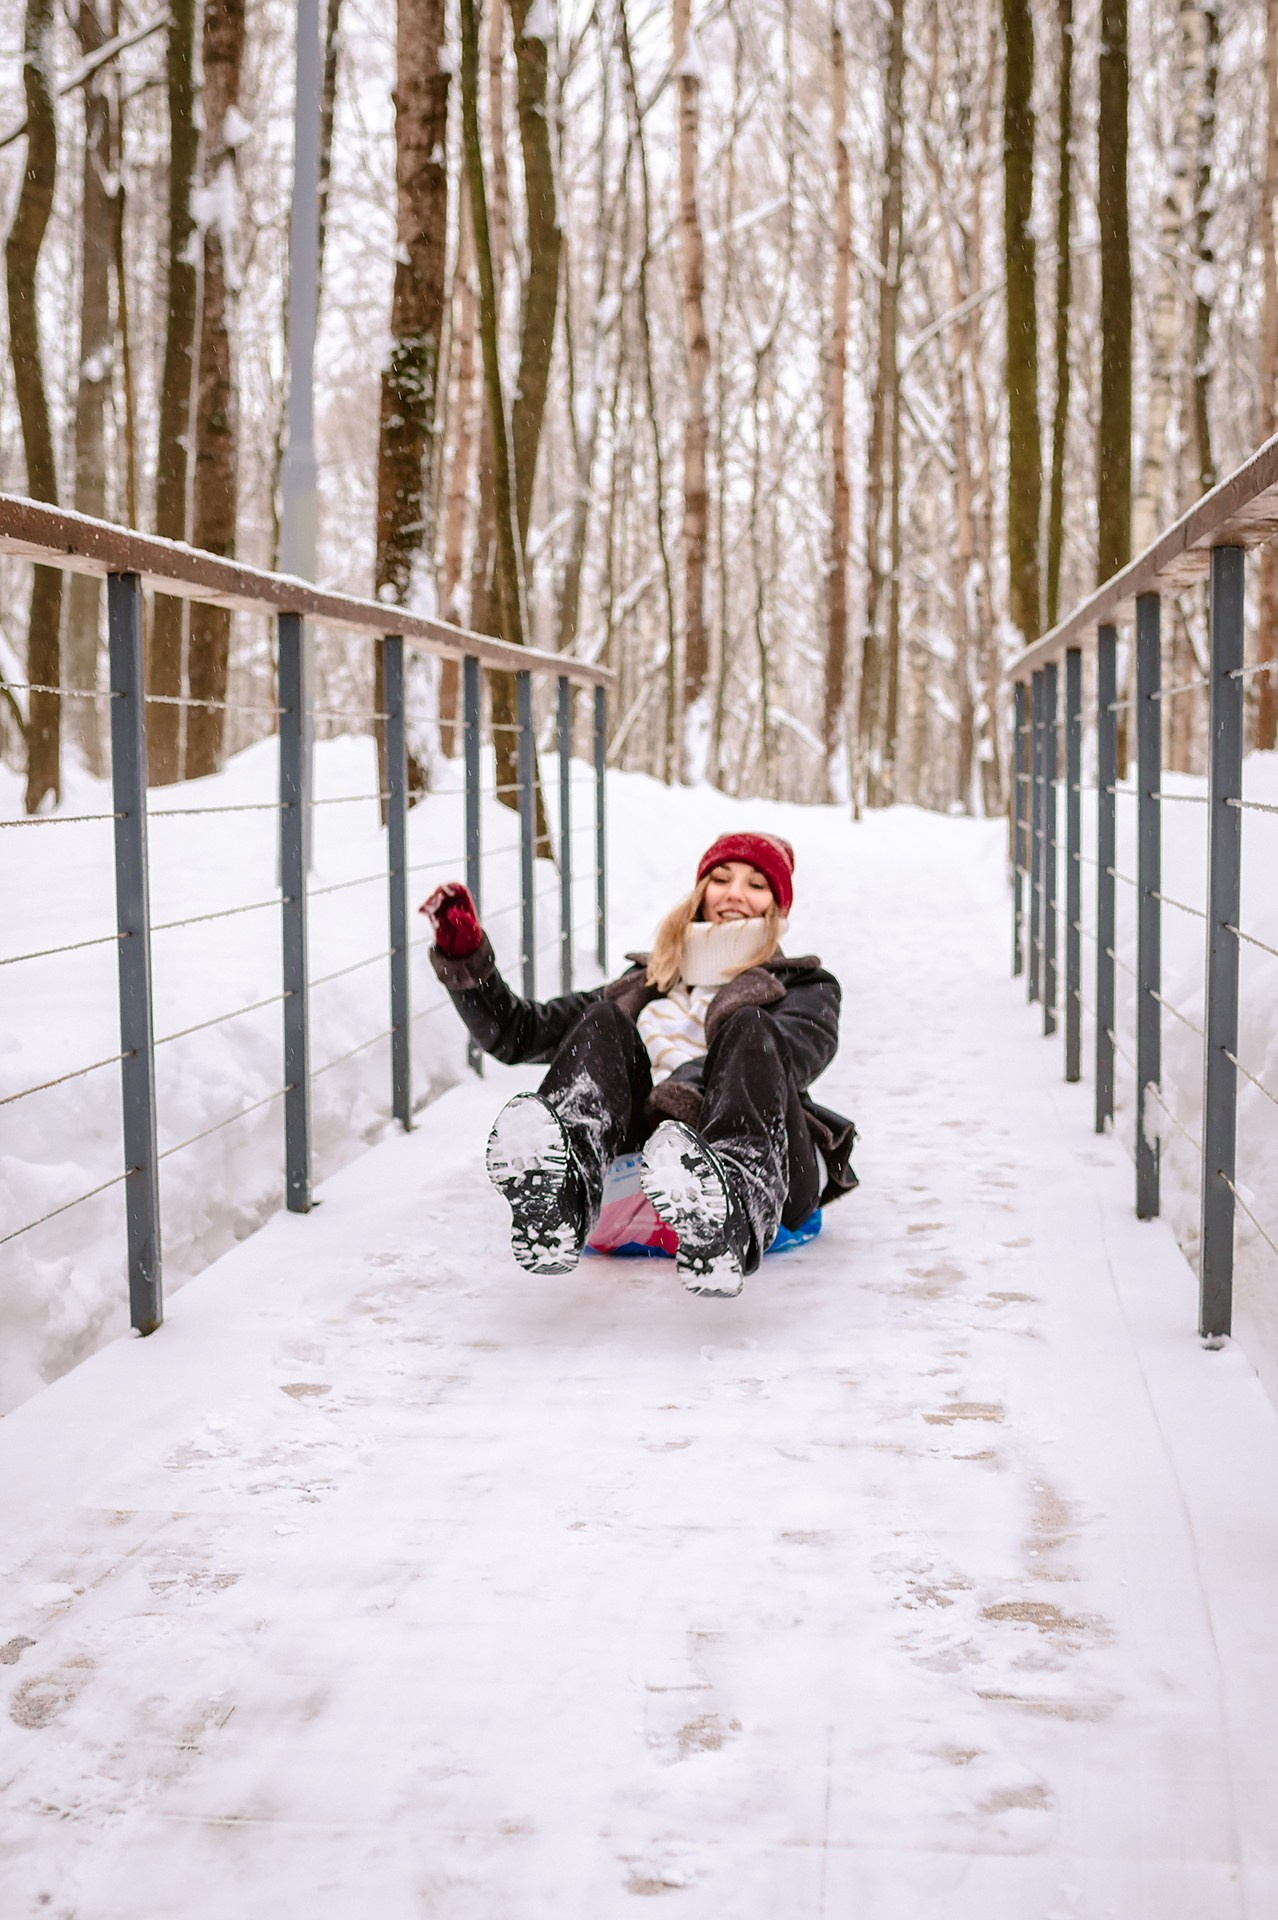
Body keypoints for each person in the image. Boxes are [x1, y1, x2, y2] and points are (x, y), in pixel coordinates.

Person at [421, 831, 856, 1298]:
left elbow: (793, 1058)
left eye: (756, 885)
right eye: (721, 879)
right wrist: (465, 958)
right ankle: (563, 1196)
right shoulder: (646, 980)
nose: (734, 893)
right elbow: (517, 1034)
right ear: (700, 891)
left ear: (778, 907)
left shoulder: (804, 986)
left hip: (770, 1170)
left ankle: (725, 1209)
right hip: (640, 1166)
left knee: (751, 1028)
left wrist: (676, 1098)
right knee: (602, 1019)